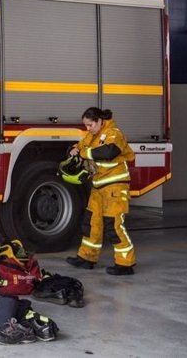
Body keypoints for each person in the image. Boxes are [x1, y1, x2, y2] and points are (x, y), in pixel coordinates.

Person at [66, 107, 136, 275]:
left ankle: (125, 264)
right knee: (91, 223)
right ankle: (86, 258)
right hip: (98, 187)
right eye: (86, 126)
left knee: (113, 226)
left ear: (99, 121)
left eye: (90, 125)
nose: (87, 129)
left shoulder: (114, 134)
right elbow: (79, 147)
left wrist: (83, 153)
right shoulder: (92, 135)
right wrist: (73, 149)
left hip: (115, 187)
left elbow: (109, 152)